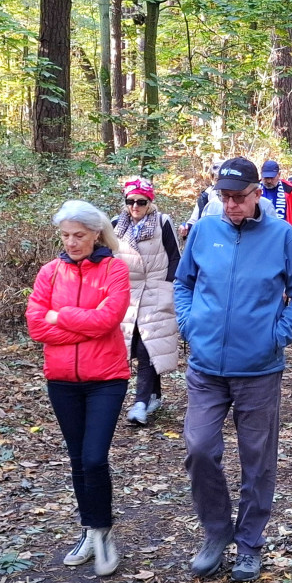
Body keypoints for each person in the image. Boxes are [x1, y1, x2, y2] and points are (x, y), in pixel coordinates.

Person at [175, 157, 292, 582]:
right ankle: (216, 532)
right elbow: (183, 283)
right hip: (205, 366)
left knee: (257, 458)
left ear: (258, 193)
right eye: (224, 197)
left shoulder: (280, 237)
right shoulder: (204, 230)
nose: (231, 205)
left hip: (258, 368)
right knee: (199, 448)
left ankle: (250, 543)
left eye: (239, 197)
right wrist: (189, 323)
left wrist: (278, 334)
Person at [26, 201, 131, 577]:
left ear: (96, 234)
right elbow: (37, 325)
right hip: (62, 381)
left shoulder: (114, 269)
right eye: (66, 235)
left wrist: (61, 316)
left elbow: (108, 320)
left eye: (79, 235)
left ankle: (103, 532)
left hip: (107, 378)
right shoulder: (49, 273)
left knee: (93, 458)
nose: (71, 242)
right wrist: (77, 322)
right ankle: (89, 530)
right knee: (76, 459)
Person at [113, 178, 180, 426]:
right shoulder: (115, 226)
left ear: (149, 202)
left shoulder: (162, 222)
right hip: (127, 295)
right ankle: (154, 396)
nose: (135, 207)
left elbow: (175, 258)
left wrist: (169, 288)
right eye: (130, 201)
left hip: (155, 291)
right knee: (139, 347)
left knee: (147, 347)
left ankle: (140, 403)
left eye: (141, 201)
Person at [180, 159, 223, 238]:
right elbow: (195, 219)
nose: (219, 183)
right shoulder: (206, 195)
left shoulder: (234, 195)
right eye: (217, 179)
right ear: (213, 179)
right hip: (207, 237)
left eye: (222, 179)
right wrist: (187, 227)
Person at [260, 160, 292, 225]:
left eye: (272, 178)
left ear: (279, 174)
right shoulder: (254, 188)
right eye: (266, 178)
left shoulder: (289, 189)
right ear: (261, 174)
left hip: (283, 231)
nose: (269, 181)